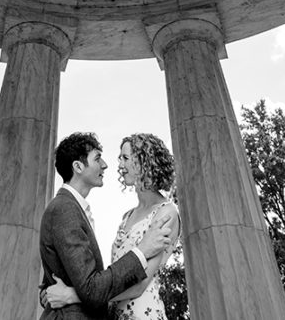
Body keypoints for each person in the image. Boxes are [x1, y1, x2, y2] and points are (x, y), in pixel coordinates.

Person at [43, 133, 181, 320]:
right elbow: (105, 277)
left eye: (125, 158)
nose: (117, 165)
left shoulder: (167, 212)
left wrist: (71, 295)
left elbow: (140, 285)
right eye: (119, 158)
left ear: (144, 161)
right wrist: (48, 292)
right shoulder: (126, 217)